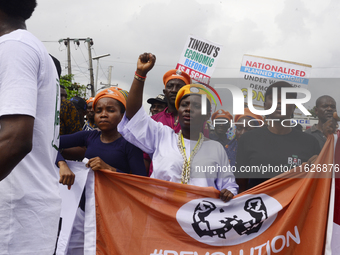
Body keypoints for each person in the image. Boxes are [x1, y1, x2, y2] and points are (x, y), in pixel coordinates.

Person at [118, 53, 238, 202]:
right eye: (184, 105)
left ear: (207, 115)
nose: (188, 109)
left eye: (196, 106)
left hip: (199, 218)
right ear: (179, 110)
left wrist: (229, 191)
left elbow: (229, 184)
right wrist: (140, 74)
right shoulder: (162, 136)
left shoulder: (216, 148)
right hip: (161, 214)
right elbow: (134, 116)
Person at [0, 1, 61, 254]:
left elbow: (15, 139)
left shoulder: (14, 47)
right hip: (23, 211)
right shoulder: (28, 47)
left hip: (13, 216)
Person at [57, 87, 147, 253]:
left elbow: (141, 183)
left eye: (110, 110)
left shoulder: (130, 145)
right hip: (82, 210)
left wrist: (110, 170)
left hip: (115, 214)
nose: (103, 114)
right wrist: (62, 164)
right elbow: (51, 142)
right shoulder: (88, 136)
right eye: (98, 110)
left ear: (122, 115)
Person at [236, 81, 320, 191]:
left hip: (295, 207)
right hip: (256, 206)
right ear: (265, 105)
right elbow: (241, 185)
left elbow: (318, 186)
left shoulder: (310, 143)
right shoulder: (247, 139)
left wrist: (320, 166)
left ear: (294, 106)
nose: (280, 102)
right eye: (274, 98)